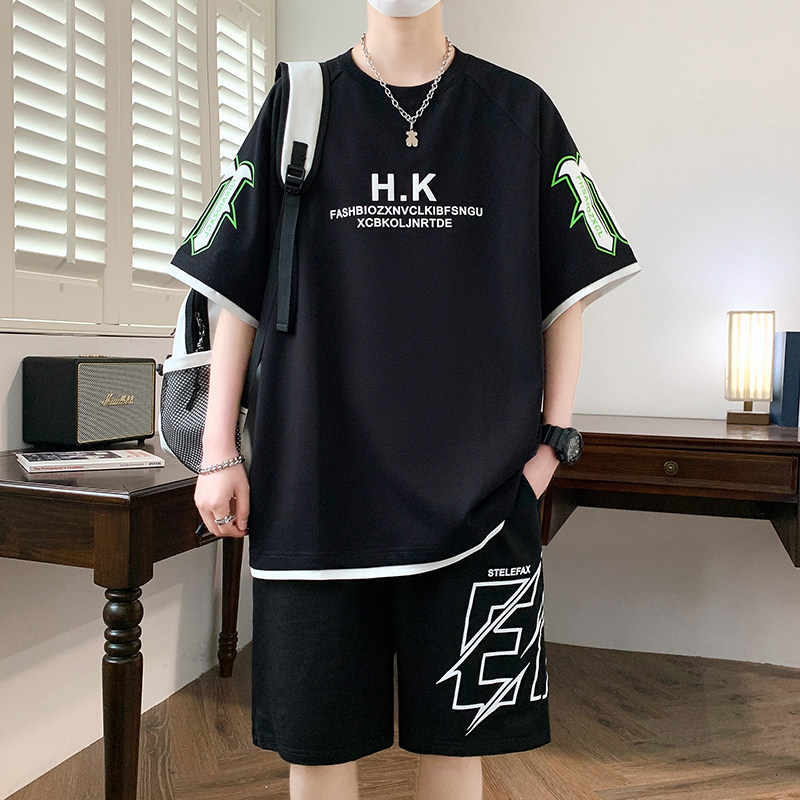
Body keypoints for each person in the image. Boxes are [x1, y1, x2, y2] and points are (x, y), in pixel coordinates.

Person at [166, 1, 641, 797]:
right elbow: (233, 289)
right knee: (317, 752)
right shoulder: (299, 101)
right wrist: (218, 452)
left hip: (479, 498)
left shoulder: (518, 111)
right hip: (314, 491)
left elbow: (568, 290)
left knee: (457, 746)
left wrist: (551, 447)